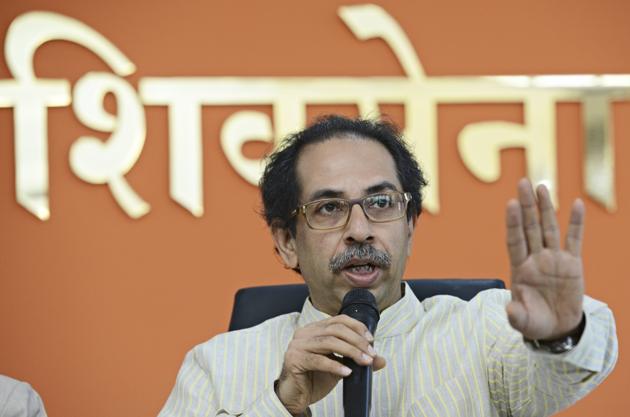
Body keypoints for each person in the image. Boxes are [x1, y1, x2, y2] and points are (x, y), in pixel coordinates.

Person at [157, 115, 617, 417]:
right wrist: (282, 405)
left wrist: (560, 334)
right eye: (329, 208)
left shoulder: (484, 330)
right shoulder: (217, 366)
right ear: (285, 243)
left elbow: (555, 379)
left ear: (410, 225)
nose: (360, 229)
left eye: (381, 202)